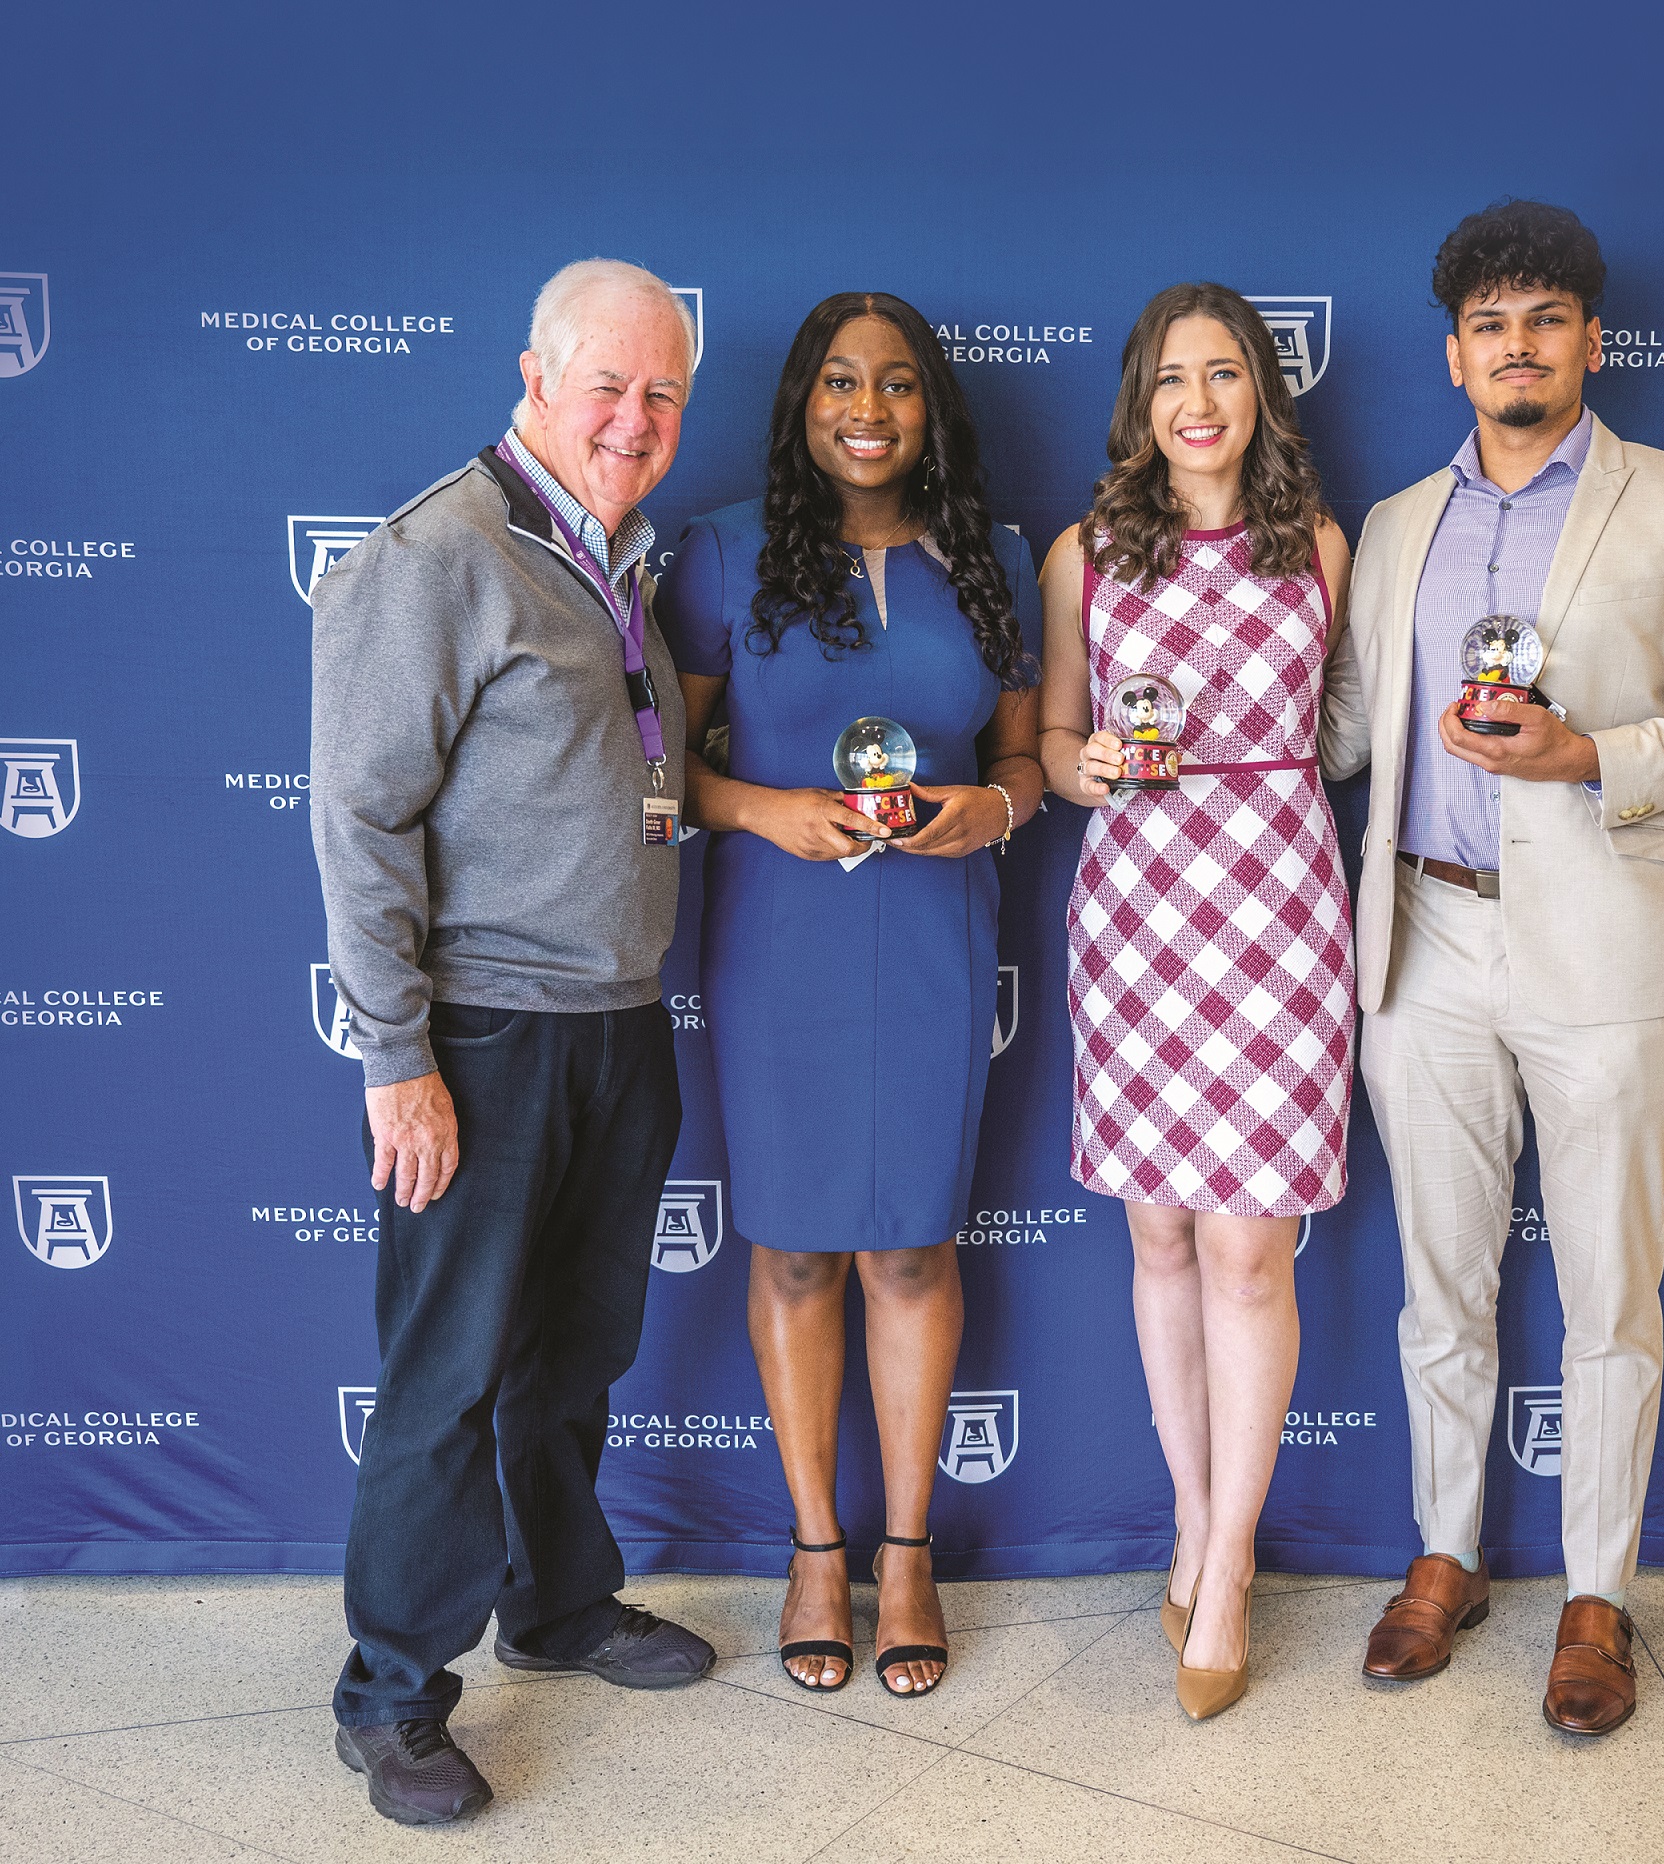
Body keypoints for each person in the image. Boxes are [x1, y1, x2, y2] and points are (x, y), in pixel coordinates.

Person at [1321, 201, 1664, 1735]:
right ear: (1449, 350)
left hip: (1602, 940)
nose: (1512, 346)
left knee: (1609, 1290)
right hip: (1421, 933)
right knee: (1437, 1283)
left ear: (1591, 339)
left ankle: (1596, 1593)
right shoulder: (1393, 525)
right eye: (1485, 322)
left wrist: (1589, 751)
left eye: (1540, 318)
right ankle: (1444, 1553)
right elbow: (1340, 731)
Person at [310, 259, 715, 1826]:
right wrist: (395, 1059)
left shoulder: (610, 554)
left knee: (573, 1356)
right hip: (481, 1038)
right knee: (449, 1381)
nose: (633, 416)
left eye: (662, 393)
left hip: (618, 1022)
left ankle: (555, 1606)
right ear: (534, 377)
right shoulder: (439, 555)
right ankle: (391, 1698)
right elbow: (358, 822)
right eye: (606, 385)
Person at [659, 292, 1043, 1699]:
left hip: (933, 934)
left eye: (893, 383)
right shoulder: (716, 555)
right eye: (838, 382)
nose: (866, 408)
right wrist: (761, 811)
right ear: (801, 405)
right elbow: (659, 769)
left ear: (931, 408)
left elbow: (1026, 765)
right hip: (778, 942)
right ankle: (813, 1546)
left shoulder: (995, 561)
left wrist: (981, 818)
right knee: (795, 1250)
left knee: (910, 1249)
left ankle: (905, 1552)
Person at [1038, 282, 1355, 1721]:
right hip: (1138, 911)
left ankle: (1227, 1567)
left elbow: (1349, 732)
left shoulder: (1321, 549)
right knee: (1158, 1232)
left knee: (1247, 1251)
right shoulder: (1087, 552)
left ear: (1259, 396)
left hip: (1277, 906)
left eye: (1224, 373)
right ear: (1138, 402)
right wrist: (1080, 766)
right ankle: (1186, 1513)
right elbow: (1047, 742)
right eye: (1171, 378)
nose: (1198, 402)